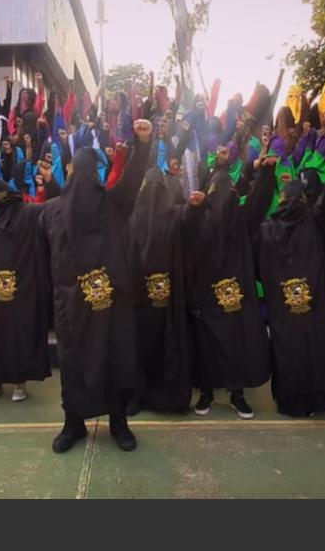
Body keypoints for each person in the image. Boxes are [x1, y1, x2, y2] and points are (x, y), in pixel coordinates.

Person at [39, 119, 152, 454]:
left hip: (111, 306)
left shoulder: (112, 206)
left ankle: (119, 422)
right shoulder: (54, 211)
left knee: (115, 357)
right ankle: (73, 423)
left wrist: (143, 145)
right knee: (73, 362)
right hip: (72, 308)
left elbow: (131, 182)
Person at [256, 155, 325, 417]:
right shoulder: (314, 222)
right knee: (315, 347)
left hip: (281, 302)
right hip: (314, 299)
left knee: (286, 348)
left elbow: (257, 266)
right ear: (304, 199)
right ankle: (316, 401)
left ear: (282, 198)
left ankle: (289, 402)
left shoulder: (267, 228)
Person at [190, 158, 277, 417]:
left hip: (238, 295)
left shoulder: (241, 221)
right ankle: (206, 392)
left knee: (238, 343)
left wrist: (266, 172)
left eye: (229, 194)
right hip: (206, 295)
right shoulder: (198, 220)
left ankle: (237, 393)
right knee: (207, 345)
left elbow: (259, 200)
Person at [0, 174, 58, 404]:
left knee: (22, 334)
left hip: (25, 289)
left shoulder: (29, 214)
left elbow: (56, 205)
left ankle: (21, 382)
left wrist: (49, 182)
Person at [127, 168, 205, 414]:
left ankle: (139, 396)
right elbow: (190, 218)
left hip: (141, 298)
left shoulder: (134, 217)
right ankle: (163, 397)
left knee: (142, 346)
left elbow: (190, 217)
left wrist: (195, 207)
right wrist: (195, 207)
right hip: (166, 297)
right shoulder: (172, 215)